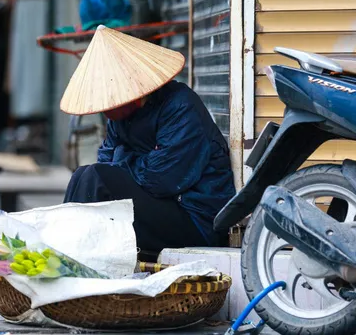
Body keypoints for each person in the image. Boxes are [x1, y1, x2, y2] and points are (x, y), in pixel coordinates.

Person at [62, 25, 236, 253]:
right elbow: (106, 159)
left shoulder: (180, 106)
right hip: (160, 205)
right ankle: (68, 249)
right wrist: (136, 160)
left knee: (97, 178)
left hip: (196, 221)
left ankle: (69, 253)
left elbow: (162, 179)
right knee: (82, 175)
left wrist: (124, 159)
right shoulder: (120, 118)